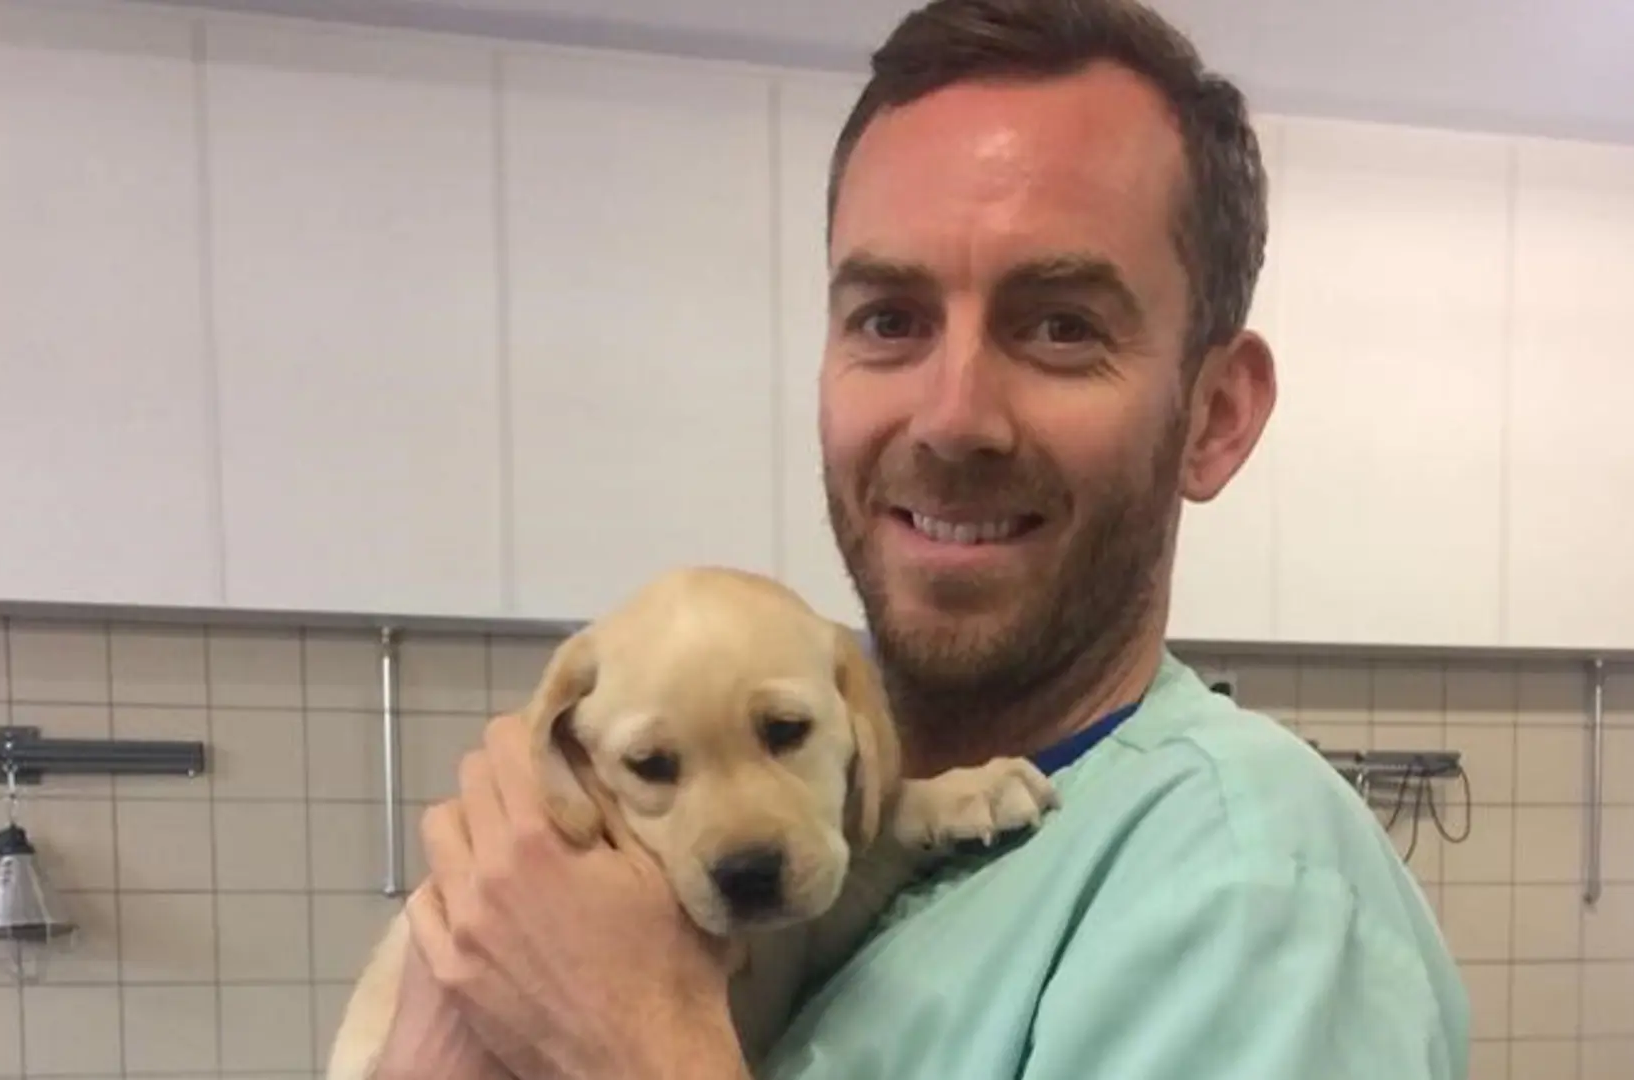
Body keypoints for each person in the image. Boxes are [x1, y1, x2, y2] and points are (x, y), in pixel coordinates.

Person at [377, 0, 1471, 1077]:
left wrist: (637, 1035)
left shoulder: (1252, 900)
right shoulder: (867, 845)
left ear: (1217, 416)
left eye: (1060, 326)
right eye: (889, 319)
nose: (953, 418)